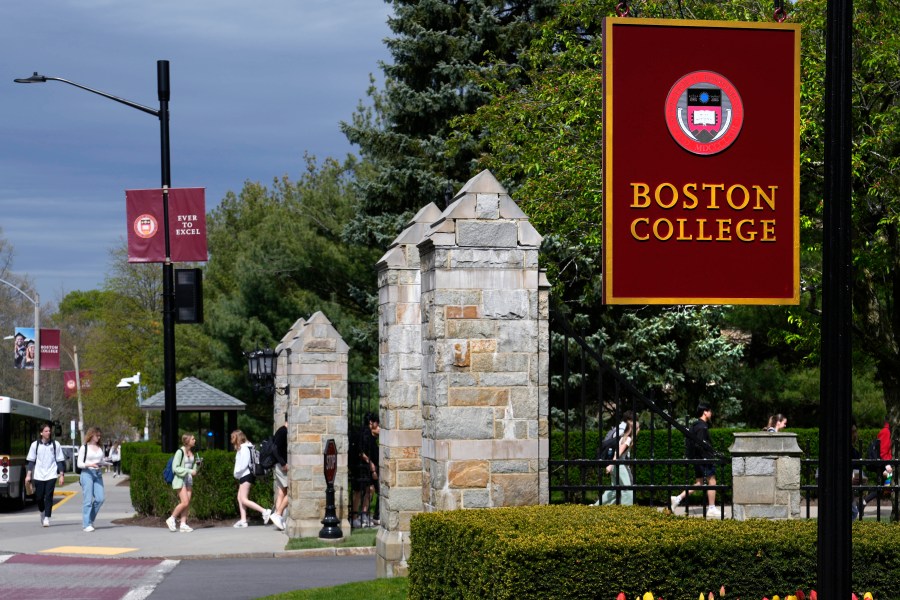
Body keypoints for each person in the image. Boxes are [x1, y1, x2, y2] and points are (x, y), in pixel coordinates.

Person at [670, 403, 720, 518]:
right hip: (703, 459)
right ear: (705, 412)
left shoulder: (695, 425)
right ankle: (711, 508)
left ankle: (677, 499)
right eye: (710, 411)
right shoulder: (702, 426)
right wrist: (708, 457)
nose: (711, 414)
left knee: (699, 483)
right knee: (712, 481)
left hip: (697, 459)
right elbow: (700, 444)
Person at [25, 422, 66, 527]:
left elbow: (60, 460)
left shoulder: (55, 444)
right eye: (46, 431)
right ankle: (42, 512)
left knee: (49, 496)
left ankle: (47, 517)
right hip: (39, 475)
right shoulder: (35, 445)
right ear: (41, 433)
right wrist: (28, 475)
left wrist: (61, 475)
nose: (49, 432)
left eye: (49, 431)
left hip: (51, 474)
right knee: (39, 497)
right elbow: (31, 461)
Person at [230, 429, 271, 528]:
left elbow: (244, 464)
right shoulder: (246, 447)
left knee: (243, 499)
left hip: (246, 475)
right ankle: (243, 520)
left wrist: (236, 473)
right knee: (239, 498)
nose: (232, 440)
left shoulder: (244, 448)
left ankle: (265, 511)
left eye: (233, 438)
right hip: (245, 475)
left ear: (237, 438)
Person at [601, 414, 638, 506]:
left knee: (613, 490)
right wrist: (611, 465)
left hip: (615, 465)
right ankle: (626, 511)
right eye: (638, 428)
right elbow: (618, 453)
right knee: (628, 489)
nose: (639, 430)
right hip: (619, 465)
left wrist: (611, 465)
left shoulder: (623, 437)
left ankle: (597, 506)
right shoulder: (628, 439)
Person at [166, 434, 199, 533]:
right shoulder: (180, 452)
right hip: (180, 480)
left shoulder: (191, 452)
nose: (195, 440)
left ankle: (183, 524)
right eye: (193, 439)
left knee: (187, 503)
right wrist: (189, 471)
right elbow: (175, 468)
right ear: (187, 441)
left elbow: (193, 471)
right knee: (184, 502)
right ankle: (171, 518)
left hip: (188, 480)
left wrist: (197, 465)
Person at [77, 427, 108, 532]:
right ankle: (86, 524)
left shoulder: (100, 448)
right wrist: (90, 464)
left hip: (98, 473)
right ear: (91, 435)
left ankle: (90, 519)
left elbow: (101, 460)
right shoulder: (84, 448)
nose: (99, 437)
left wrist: (106, 462)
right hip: (87, 474)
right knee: (88, 500)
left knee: (100, 498)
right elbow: (79, 464)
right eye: (97, 435)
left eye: (100, 436)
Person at [352, 413, 379, 528]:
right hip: (361, 466)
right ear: (371, 422)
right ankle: (354, 517)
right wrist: (370, 463)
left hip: (367, 467)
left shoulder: (371, 435)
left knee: (370, 489)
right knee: (358, 491)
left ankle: (364, 513)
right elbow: (361, 451)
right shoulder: (363, 433)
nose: (378, 424)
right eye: (376, 422)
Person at [861, 419, 892, 516]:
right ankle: (862, 503)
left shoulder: (887, 430)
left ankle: (862, 503)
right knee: (885, 487)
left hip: (885, 465)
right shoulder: (886, 431)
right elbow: (883, 450)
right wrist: (887, 465)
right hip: (886, 466)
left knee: (884, 488)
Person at [270, 417, 289, 532]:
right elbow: (275, 449)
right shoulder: (283, 431)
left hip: (279, 465)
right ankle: (278, 514)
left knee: (281, 492)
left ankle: (279, 521)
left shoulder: (281, 430)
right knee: (291, 492)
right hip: (282, 466)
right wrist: (283, 463)